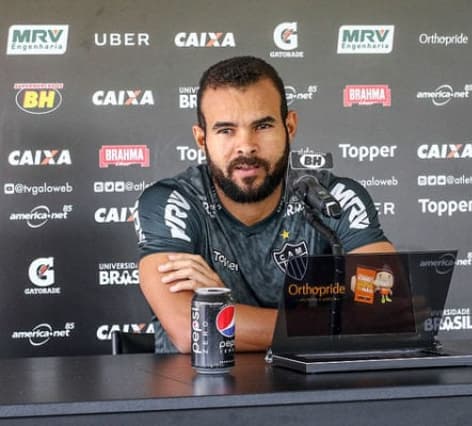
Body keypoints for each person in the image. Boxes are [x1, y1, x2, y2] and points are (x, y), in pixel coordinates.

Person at [134, 56, 394, 353]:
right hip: (204, 392)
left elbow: (384, 309)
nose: (246, 145)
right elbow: (188, 328)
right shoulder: (172, 201)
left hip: (314, 391)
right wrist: (340, 322)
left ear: (290, 126)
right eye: (226, 130)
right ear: (201, 138)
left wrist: (221, 306)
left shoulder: (334, 198)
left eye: (263, 126)